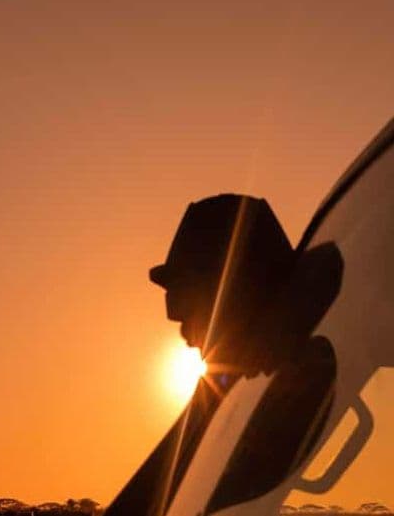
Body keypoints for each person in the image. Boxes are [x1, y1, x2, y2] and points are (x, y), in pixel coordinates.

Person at [105, 194, 343, 516]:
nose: (185, 337)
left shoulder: (294, 382)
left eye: (187, 310)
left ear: (237, 295)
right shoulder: (230, 386)